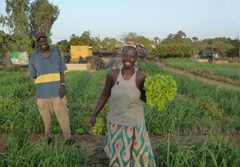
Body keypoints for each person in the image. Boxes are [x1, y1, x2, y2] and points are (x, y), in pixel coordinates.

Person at [89, 44, 156, 166]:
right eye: (125, 55)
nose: (128, 59)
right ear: (121, 57)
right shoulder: (113, 75)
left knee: (140, 158)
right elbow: (105, 94)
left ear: (136, 58)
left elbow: (145, 98)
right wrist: (94, 115)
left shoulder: (141, 77)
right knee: (117, 158)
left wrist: (156, 93)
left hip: (135, 124)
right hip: (115, 123)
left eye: (132, 56)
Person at [29, 31, 78, 146]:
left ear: (47, 39)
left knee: (63, 115)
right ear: (37, 43)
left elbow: (61, 70)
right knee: (46, 119)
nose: (43, 42)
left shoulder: (56, 51)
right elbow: (34, 74)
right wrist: (45, 79)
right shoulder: (34, 56)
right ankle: (48, 140)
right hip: (42, 92)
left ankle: (68, 139)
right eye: (40, 40)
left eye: (44, 39)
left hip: (57, 91)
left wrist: (62, 85)